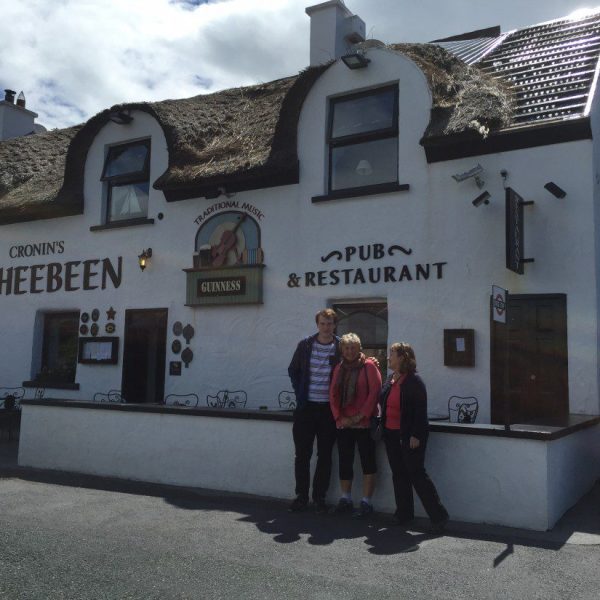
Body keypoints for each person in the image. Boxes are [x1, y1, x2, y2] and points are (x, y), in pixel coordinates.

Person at [382, 342, 449, 532]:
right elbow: (383, 401)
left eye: (392, 354)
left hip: (409, 436)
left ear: (402, 357)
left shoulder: (414, 381)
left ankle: (439, 516)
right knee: (399, 474)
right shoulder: (390, 380)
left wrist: (416, 435)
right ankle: (403, 514)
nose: (389, 357)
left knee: (416, 474)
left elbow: (420, 411)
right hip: (391, 434)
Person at [287, 308, 341, 513]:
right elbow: (293, 370)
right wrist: (300, 391)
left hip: (329, 410)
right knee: (302, 454)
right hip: (306, 408)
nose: (326, 327)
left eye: (330, 323)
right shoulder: (306, 345)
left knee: (325, 455)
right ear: (317, 324)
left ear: (335, 325)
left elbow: (352, 365)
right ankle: (301, 496)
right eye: (322, 323)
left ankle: (319, 497)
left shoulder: (340, 346)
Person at [329, 333, 382, 518]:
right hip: (344, 423)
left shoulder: (369, 366)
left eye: (353, 347)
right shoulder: (339, 368)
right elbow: (333, 394)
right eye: (346, 348)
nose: (349, 351)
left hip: (365, 423)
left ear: (359, 348)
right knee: (345, 461)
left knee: (368, 462)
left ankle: (366, 502)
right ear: (341, 350)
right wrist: (339, 417)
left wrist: (360, 416)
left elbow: (375, 392)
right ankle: (346, 498)